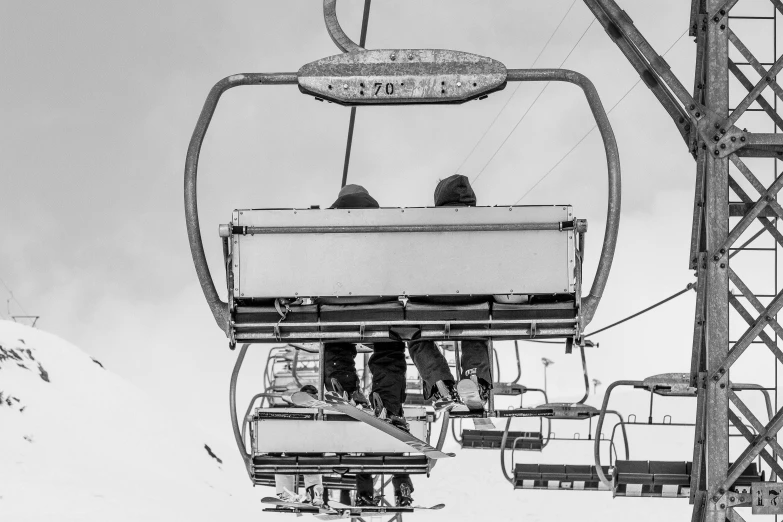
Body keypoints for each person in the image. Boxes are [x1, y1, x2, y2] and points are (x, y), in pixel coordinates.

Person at [321, 184, 415, 508]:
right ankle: (387, 404)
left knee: (333, 336)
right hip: (381, 305)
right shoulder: (387, 230)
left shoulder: (322, 233)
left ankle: (341, 383)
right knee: (389, 347)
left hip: (333, 304)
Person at [407, 174, 493, 412]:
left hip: (428, 302)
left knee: (415, 335)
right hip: (474, 299)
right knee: (476, 330)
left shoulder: (420, 227)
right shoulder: (490, 225)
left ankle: (439, 382)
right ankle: (475, 378)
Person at [275, 384, 325, 506]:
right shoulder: (320, 412)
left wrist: (274, 453)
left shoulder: (290, 411)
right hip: (313, 452)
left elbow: (279, 435)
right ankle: (315, 492)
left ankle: (285, 495)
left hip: (292, 450)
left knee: (283, 467)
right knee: (313, 467)